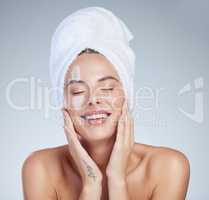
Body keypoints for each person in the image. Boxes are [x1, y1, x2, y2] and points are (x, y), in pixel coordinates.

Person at [21, 7, 190, 200]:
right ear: (63, 103)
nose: (93, 99)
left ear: (127, 96)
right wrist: (91, 183)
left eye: (107, 88)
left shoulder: (168, 167)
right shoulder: (40, 168)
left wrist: (117, 180)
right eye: (78, 91)